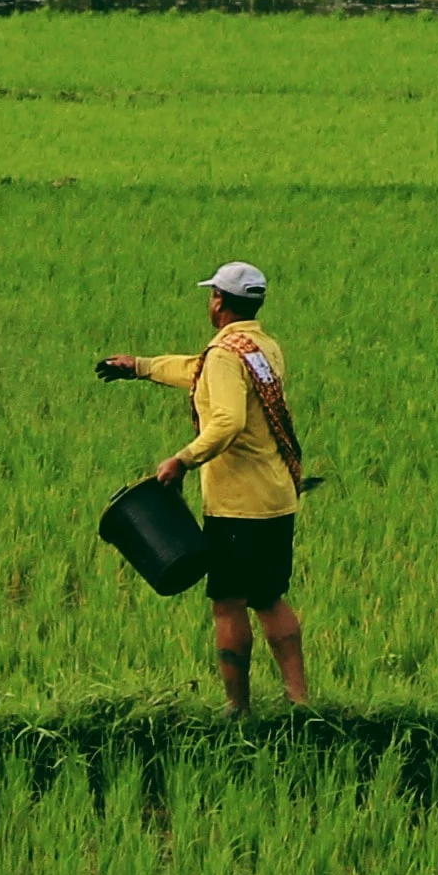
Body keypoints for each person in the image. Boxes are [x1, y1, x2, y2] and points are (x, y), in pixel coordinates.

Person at [95, 257, 306, 706]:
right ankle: (299, 701)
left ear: (218, 303)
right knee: (269, 597)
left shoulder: (227, 357)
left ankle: (236, 707)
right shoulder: (260, 348)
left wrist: (182, 460)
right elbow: (199, 369)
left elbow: (226, 420)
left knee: (228, 601)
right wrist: (140, 366)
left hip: (238, 505)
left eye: (211, 295)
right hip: (276, 497)